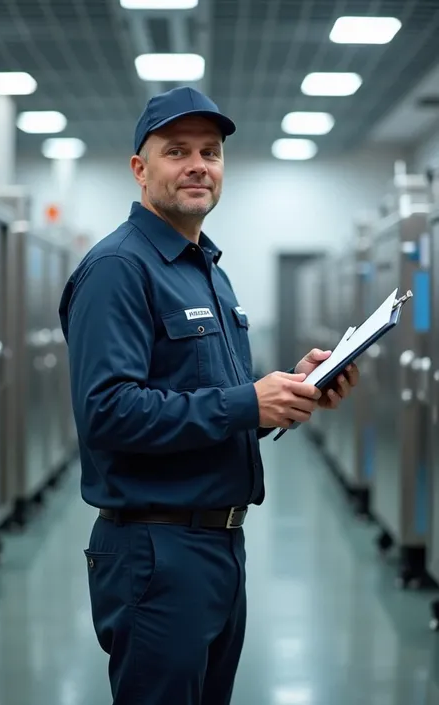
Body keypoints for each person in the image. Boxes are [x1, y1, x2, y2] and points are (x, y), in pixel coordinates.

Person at [58, 86, 359, 705]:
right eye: (177, 151)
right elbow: (107, 412)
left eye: (211, 151)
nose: (198, 164)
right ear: (141, 169)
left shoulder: (206, 269)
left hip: (220, 544)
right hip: (156, 551)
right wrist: (249, 403)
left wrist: (290, 392)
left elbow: (209, 399)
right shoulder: (120, 267)